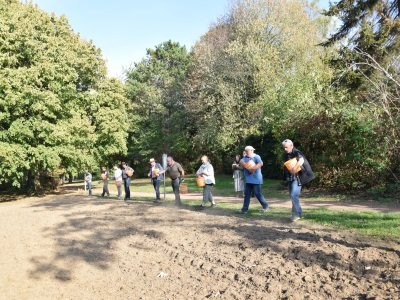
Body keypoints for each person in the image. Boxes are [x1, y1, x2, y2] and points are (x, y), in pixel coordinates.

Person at [282, 139, 315, 222]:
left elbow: (301, 160)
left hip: (297, 177)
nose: (285, 149)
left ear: (291, 146)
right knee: (292, 196)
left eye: (286, 147)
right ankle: (294, 214)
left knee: (294, 195)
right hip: (290, 177)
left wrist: (294, 169)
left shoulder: (297, 152)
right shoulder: (286, 154)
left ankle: (297, 214)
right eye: (284, 147)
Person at [238, 146, 269, 214]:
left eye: (247, 151)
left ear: (252, 150)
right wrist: (243, 163)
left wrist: (253, 169)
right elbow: (241, 162)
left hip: (256, 179)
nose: (246, 152)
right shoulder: (245, 158)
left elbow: (261, 163)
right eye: (245, 151)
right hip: (248, 179)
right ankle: (244, 209)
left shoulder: (256, 156)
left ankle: (265, 206)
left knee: (257, 193)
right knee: (247, 194)